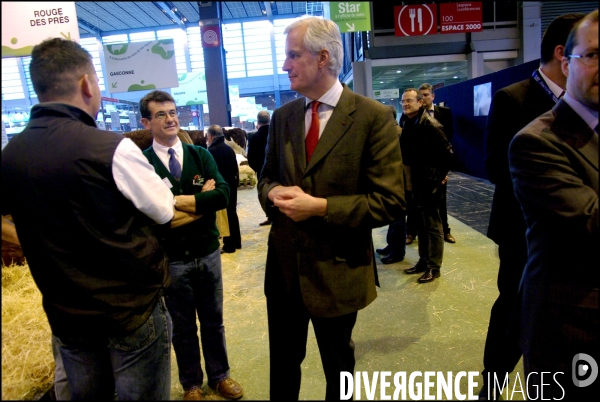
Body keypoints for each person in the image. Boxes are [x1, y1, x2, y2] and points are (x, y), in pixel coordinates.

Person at [1, 38, 175, 400]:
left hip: (66, 312)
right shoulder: (110, 147)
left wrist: (30, 240)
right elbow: (164, 210)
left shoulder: (11, 154)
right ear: (86, 84)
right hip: (129, 311)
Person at [257, 17, 405, 400]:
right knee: (283, 365)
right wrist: (272, 195)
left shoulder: (373, 118)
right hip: (285, 269)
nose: (285, 65)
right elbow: (266, 177)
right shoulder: (283, 118)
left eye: (292, 55)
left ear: (323, 58)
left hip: (338, 270)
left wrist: (320, 207)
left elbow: (390, 200)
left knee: (339, 369)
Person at [480, 13, 585, 399]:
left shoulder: (583, 101)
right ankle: (492, 384)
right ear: (563, 54)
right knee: (513, 309)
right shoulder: (514, 98)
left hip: (575, 234)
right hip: (522, 231)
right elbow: (496, 168)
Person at [509, 10, 598, 400]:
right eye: (593, 54)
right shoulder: (537, 141)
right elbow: (592, 225)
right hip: (573, 329)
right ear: (566, 62)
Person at [140, 90, 243, 401]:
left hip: (207, 253)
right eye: (161, 114)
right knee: (182, 328)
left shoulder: (201, 155)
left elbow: (223, 195)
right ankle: (191, 385)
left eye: (173, 112)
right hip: (171, 260)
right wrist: (201, 203)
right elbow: (153, 219)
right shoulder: (142, 165)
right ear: (146, 122)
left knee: (213, 320)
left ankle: (220, 376)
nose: (171, 119)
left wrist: (175, 203)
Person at [399, 88, 452, 283]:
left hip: (429, 183)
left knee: (432, 226)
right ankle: (423, 261)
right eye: (403, 101)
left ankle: (434, 267)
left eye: (409, 101)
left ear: (420, 102)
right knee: (420, 225)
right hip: (415, 183)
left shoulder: (430, 124)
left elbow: (447, 153)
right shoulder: (408, 122)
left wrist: (441, 177)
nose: (405, 104)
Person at [419, 83, 456, 244]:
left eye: (426, 95)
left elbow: (448, 137)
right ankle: (413, 232)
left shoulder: (444, 113)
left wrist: (444, 172)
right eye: (421, 95)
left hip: (439, 164)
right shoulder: (415, 115)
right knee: (418, 203)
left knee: (441, 200)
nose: (424, 98)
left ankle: (445, 231)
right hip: (421, 166)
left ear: (433, 96)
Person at [376, 106, 407, 264]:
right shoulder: (393, 130)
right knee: (394, 218)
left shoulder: (395, 132)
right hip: (393, 179)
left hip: (398, 180)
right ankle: (392, 246)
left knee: (398, 219)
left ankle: (397, 252)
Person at [207, 124, 242, 253]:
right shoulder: (228, 149)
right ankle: (237, 242)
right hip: (232, 185)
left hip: (221, 188)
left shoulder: (211, 151)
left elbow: (212, 173)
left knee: (224, 216)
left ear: (210, 136)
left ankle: (229, 245)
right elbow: (235, 169)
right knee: (232, 213)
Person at [247, 110, 272, 226]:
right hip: (280, 170)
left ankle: (270, 216)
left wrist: (258, 168)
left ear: (258, 122)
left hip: (262, 172)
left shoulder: (254, 137)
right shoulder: (277, 134)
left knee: (264, 193)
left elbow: (250, 158)